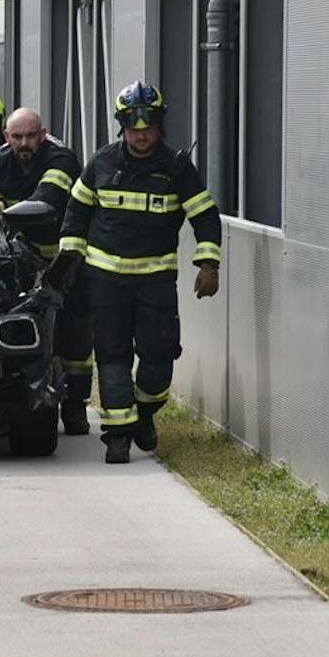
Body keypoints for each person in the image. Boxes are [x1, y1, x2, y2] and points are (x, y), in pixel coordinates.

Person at [49, 82, 221, 465]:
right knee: (112, 357)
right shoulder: (101, 163)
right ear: (122, 127)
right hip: (105, 282)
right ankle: (117, 437)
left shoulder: (177, 168)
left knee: (159, 357)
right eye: (134, 129)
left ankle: (144, 416)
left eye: (148, 128)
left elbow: (206, 217)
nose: (141, 136)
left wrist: (209, 264)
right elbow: (75, 215)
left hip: (155, 282)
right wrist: (70, 263)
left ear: (159, 126)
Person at [0, 107, 92, 435]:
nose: (24, 143)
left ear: (43, 134)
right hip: (21, 265)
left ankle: (76, 407)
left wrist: (3, 209)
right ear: (7, 137)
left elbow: (48, 198)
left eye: (31, 136)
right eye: (17, 137)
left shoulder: (61, 159)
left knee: (75, 338)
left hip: (66, 263)